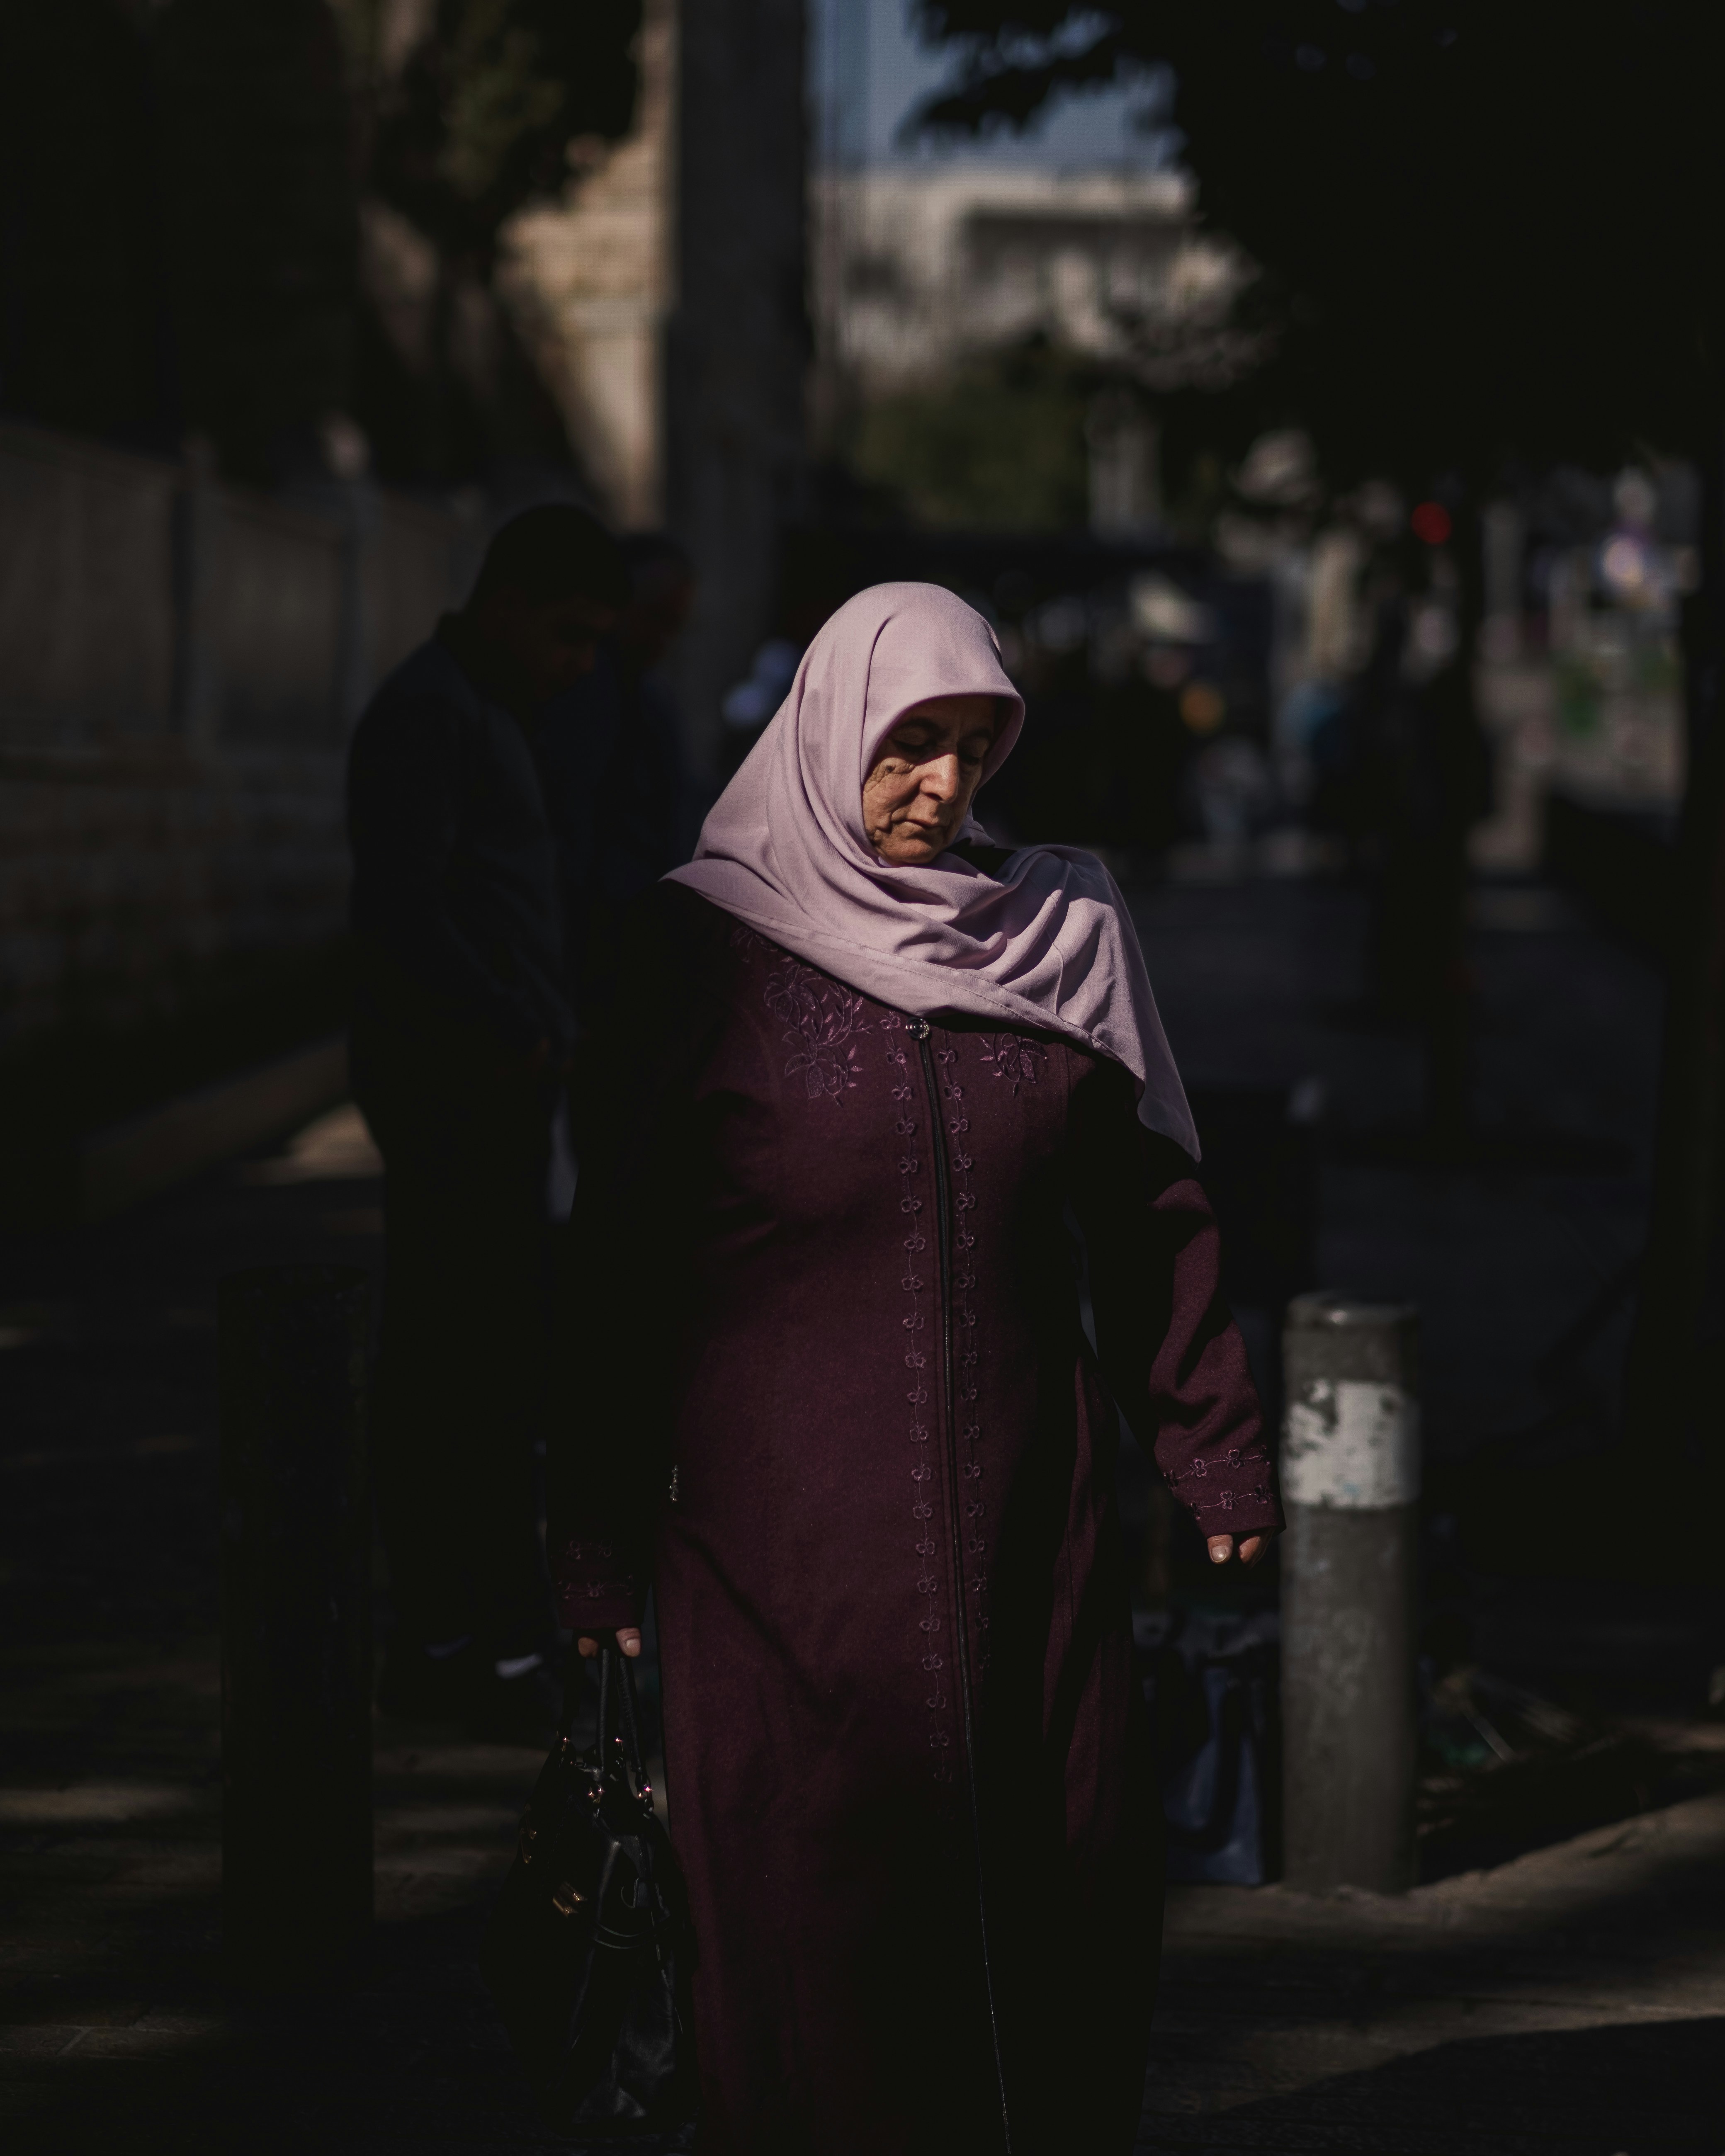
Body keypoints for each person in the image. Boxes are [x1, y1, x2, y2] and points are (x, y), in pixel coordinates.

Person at [551, 583, 1282, 2153]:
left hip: (1030, 1515)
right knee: (806, 1899)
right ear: (830, 730)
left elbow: (1148, 1211)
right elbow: (617, 1264)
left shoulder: (1060, 932)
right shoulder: (701, 945)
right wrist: (595, 1538)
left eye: (972, 746)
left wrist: (1211, 1435)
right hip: (776, 1551)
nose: (943, 784)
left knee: (1052, 1867)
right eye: (909, 742)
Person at [347, 502, 627, 1736]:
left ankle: (482, 1636)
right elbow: (404, 911)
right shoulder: (430, 711)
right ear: (506, 604)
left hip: (501, 1089)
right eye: (569, 633)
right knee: (455, 1371)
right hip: (455, 1093)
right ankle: (452, 1643)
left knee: (496, 1367)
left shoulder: (487, 706)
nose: (581, 661)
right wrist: (513, 1021)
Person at [534, 532, 697, 1027]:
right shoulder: (576, 692)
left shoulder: (651, 701)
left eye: (674, 626)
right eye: (654, 618)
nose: (662, 640)